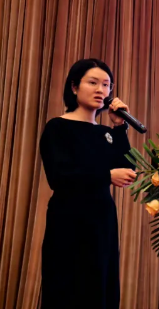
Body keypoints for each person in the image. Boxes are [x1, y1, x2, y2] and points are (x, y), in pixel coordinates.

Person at [40, 59, 137, 309]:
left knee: (100, 290)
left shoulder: (105, 133)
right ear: (74, 87)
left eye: (106, 85)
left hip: (102, 222)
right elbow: (59, 176)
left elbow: (128, 168)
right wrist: (106, 176)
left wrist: (119, 127)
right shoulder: (57, 127)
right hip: (69, 221)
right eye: (93, 83)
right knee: (69, 290)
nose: (101, 90)